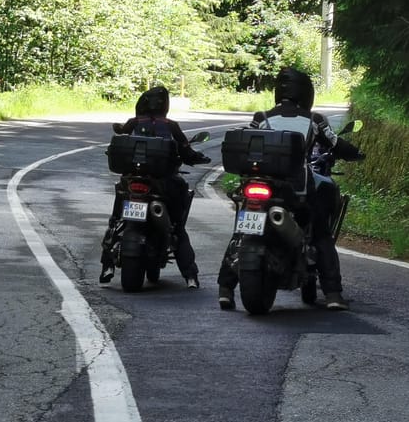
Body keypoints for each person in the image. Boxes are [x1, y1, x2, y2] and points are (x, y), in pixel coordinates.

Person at [216, 67, 363, 311]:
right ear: (306, 93)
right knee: (321, 234)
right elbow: (335, 144)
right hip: (297, 189)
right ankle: (333, 294)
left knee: (240, 233)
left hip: (259, 184)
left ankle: (225, 290)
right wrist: (355, 153)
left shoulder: (262, 117)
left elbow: (246, 138)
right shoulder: (314, 120)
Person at [100, 86, 211, 287]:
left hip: (132, 182)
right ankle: (190, 275)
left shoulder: (133, 123)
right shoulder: (171, 126)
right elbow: (186, 152)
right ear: (165, 106)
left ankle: (107, 266)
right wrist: (197, 158)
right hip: (164, 184)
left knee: (116, 221)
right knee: (177, 227)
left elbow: (118, 144)